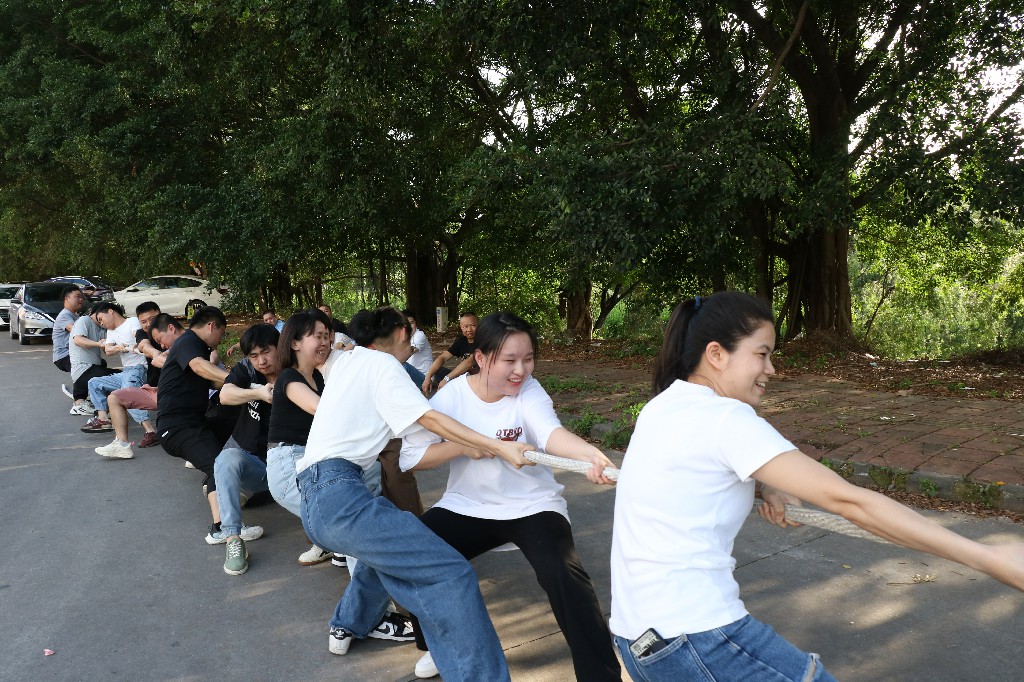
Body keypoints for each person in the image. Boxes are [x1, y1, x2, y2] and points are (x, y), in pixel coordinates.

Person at [609, 291, 1024, 682]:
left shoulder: (661, 407)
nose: (771, 369)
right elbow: (851, 501)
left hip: (639, 643)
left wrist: (765, 482)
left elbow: (695, 471)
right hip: (699, 637)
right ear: (716, 354)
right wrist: (988, 557)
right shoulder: (727, 421)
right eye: (762, 354)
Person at [295, 306, 535, 682]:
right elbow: (430, 419)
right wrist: (498, 445)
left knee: (394, 552)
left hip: (314, 500)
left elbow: (337, 345)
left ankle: (348, 623)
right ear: (403, 333)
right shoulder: (384, 367)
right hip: (340, 494)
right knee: (451, 574)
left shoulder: (346, 360)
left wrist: (466, 447)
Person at [399, 312, 620, 681]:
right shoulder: (451, 397)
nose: (521, 370)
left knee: (565, 575)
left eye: (528, 358)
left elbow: (551, 434)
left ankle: (602, 674)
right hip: (468, 505)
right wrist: (464, 447)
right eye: (510, 360)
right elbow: (413, 458)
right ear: (482, 358)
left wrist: (589, 455)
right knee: (412, 553)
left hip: (532, 505)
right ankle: (441, 645)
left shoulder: (529, 390)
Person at [210, 323, 282, 575]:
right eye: (254, 355)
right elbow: (226, 395)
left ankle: (327, 541)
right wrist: (260, 394)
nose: (261, 361)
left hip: (291, 462)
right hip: (256, 465)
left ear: (280, 348)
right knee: (226, 458)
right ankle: (232, 539)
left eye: (266, 352)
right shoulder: (247, 371)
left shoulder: (297, 373)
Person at [265, 309, 333, 565]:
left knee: (332, 514)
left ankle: (325, 542)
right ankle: (332, 543)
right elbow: (321, 409)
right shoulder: (288, 376)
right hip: (287, 464)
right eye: (317, 336)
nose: (325, 341)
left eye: (327, 335)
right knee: (335, 518)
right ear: (294, 343)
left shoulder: (316, 376)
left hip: (309, 458)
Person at [157, 306, 231, 533]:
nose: (221, 338)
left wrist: (243, 383)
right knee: (219, 466)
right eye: (222, 332)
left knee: (231, 420)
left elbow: (212, 382)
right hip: (178, 427)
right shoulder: (189, 342)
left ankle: (221, 491)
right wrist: (236, 378)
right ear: (211, 326)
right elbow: (200, 367)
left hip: (193, 422)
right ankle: (222, 528)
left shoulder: (194, 347)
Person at [94, 305, 171, 459]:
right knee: (106, 390)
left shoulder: (133, 323)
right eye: (144, 321)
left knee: (126, 391)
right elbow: (140, 344)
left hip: (145, 373)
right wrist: (153, 353)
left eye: (152, 319)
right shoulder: (140, 333)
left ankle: (151, 430)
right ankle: (112, 431)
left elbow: (140, 343)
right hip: (148, 383)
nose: (148, 324)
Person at [81, 302, 149, 434]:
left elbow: (138, 336)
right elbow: (108, 350)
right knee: (94, 383)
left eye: (101, 319)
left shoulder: (131, 321)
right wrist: (119, 347)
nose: (101, 323)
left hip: (139, 368)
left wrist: (133, 345)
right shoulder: (110, 331)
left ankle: (150, 430)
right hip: (127, 371)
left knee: (127, 392)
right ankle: (103, 419)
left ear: (111, 311)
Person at [68, 304, 116, 418]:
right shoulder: (85, 320)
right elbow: (78, 340)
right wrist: (98, 343)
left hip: (90, 369)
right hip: (84, 370)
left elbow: (107, 351)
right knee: (118, 378)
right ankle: (101, 411)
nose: (103, 322)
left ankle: (83, 402)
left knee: (106, 367)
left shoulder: (101, 328)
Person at [421, 311, 477, 395]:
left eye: (473, 325)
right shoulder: (461, 341)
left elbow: (469, 362)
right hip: (462, 379)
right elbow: (442, 357)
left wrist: (447, 379)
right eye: (465, 326)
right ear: (461, 327)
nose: (469, 329)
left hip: (478, 379)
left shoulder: (483, 340)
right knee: (438, 370)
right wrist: (428, 377)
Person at [54, 286, 85, 399]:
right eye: (77, 297)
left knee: (100, 364)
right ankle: (79, 402)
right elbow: (76, 331)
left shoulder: (75, 315)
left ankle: (90, 393)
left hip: (73, 354)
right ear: (66, 298)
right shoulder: (64, 315)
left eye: (81, 297)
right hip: (63, 356)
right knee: (83, 369)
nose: (81, 299)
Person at [403, 309, 433, 376]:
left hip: (424, 377)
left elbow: (410, 352)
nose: (409, 327)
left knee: (403, 366)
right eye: (406, 324)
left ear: (415, 323)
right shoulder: (402, 336)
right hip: (410, 375)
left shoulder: (419, 335)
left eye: (411, 323)